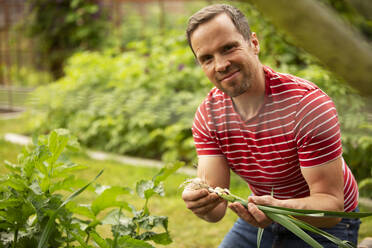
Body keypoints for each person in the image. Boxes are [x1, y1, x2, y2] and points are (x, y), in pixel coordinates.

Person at [181, 3, 360, 248]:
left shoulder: (306, 106)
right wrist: (200, 203)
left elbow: (331, 207)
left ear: (253, 43)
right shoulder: (209, 116)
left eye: (228, 48)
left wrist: (279, 208)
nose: (221, 65)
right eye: (207, 58)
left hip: (323, 223)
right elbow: (216, 210)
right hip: (263, 212)